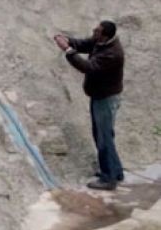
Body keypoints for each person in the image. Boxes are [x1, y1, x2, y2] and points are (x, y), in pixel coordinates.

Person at [53, 21, 125, 191]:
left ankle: (109, 179)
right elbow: (84, 44)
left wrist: (67, 50)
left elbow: (88, 67)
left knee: (103, 138)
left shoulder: (113, 53)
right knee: (104, 135)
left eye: (97, 31)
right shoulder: (101, 42)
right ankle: (115, 171)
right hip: (100, 96)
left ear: (105, 35)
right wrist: (68, 40)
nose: (94, 31)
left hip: (106, 100)